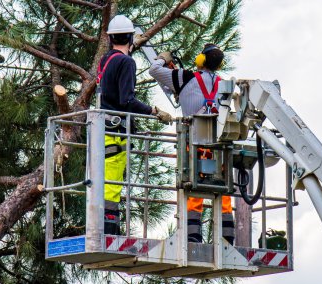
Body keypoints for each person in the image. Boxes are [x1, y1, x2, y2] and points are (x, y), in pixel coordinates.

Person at [149, 44, 234, 244]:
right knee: (223, 191)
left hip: (194, 143)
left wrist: (163, 58)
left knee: (193, 190)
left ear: (200, 60)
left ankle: (193, 237)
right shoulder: (225, 84)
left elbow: (154, 71)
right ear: (219, 64)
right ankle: (227, 239)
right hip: (219, 146)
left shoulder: (185, 77)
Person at [98, 15, 172, 235]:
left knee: (103, 178)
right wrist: (154, 112)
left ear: (110, 39)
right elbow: (127, 100)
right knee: (112, 181)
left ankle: (105, 224)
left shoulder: (106, 60)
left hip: (102, 128)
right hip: (115, 131)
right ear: (130, 37)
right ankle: (110, 229)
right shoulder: (127, 62)